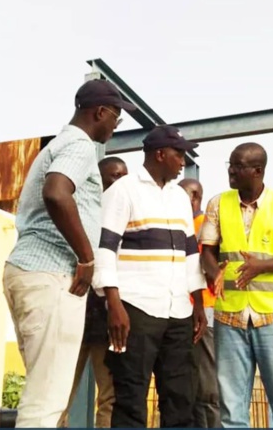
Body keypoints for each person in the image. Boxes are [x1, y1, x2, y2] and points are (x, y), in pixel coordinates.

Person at [2, 79, 134, 428]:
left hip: (28, 269)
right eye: (116, 119)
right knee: (47, 400)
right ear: (100, 112)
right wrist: (87, 259)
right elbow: (57, 193)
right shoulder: (80, 146)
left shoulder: (56, 145)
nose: (115, 126)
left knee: (43, 390)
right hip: (53, 275)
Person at [93, 125, 208, 428]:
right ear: (160, 154)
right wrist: (114, 306)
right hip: (135, 309)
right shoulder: (123, 190)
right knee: (130, 398)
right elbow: (105, 249)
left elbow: (190, 253)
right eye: (178, 154)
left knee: (181, 397)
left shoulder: (179, 197)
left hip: (178, 312)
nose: (183, 161)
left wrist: (197, 303)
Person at [199, 142, 273, 428]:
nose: (231, 171)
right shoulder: (217, 203)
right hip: (229, 317)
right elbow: (207, 252)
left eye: (238, 166)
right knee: (231, 411)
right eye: (230, 165)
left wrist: (260, 266)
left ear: (258, 170)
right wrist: (214, 274)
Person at [58, 156, 128, 428]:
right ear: (99, 180)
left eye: (124, 175)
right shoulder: (80, 213)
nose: (120, 181)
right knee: (58, 393)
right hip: (72, 314)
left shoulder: (128, 217)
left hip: (107, 322)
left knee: (110, 397)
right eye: (114, 175)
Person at [178, 178, 221, 428]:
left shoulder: (203, 225)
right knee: (188, 384)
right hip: (180, 309)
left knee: (207, 386)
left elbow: (206, 267)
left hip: (203, 308)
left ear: (195, 197)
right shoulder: (180, 225)